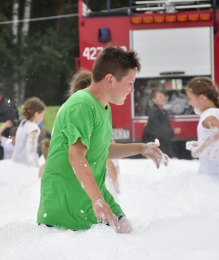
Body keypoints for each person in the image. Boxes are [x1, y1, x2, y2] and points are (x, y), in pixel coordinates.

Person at [37, 46, 168, 233]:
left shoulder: (102, 107)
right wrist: (97, 201)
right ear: (110, 80)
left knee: (129, 234)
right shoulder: (82, 104)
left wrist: (141, 148)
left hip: (91, 195)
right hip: (66, 203)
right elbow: (76, 157)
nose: (132, 89)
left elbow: (101, 149)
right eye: (130, 83)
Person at [68, 70, 120, 193]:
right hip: (90, 186)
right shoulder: (93, 114)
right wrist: (117, 191)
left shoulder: (68, 110)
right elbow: (110, 162)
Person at [185, 77, 219, 176]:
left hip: (212, 173)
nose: (189, 103)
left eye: (190, 98)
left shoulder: (208, 114)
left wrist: (200, 149)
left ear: (202, 98)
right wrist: (199, 142)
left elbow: (217, 131)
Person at [142, 88, 181, 158]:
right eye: (160, 97)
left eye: (164, 96)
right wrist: (172, 132)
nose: (164, 98)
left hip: (162, 144)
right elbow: (159, 131)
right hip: (155, 146)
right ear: (153, 99)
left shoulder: (164, 112)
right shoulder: (154, 112)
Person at [11, 97, 46, 167]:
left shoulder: (23, 123)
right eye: (42, 115)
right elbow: (31, 147)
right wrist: (36, 165)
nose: (42, 118)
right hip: (23, 165)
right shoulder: (33, 127)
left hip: (14, 161)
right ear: (36, 114)